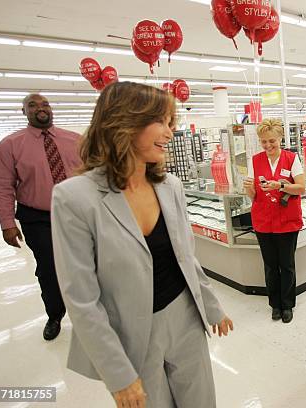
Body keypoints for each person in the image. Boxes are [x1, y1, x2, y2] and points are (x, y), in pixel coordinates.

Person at [50, 82, 233, 408]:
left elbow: (186, 256)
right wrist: (117, 373)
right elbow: (81, 298)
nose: (170, 132)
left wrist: (212, 307)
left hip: (186, 316)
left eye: (171, 122)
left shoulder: (170, 186)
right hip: (131, 333)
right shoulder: (75, 198)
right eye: (160, 122)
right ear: (124, 123)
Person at [0, 93, 81, 341]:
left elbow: (92, 176)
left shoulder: (74, 140)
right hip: (37, 217)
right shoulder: (10, 145)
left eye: (44, 104)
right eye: (32, 105)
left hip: (76, 214)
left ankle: (91, 312)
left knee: (86, 263)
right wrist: (7, 223)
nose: (40, 108)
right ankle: (55, 315)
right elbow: (1, 185)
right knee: (49, 268)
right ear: (24, 112)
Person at [243, 118, 306, 323]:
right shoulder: (255, 161)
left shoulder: (291, 158)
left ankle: (287, 304)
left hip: (287, 220)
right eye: (264, 142)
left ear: (280, 138)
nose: (268, 146)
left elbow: (301, 188)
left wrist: (280, 185)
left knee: (286, 265)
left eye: (272, 141)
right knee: (270, 265)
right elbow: (253, 196)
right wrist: (248, 189)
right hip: (263, 220)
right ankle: (275, 304)